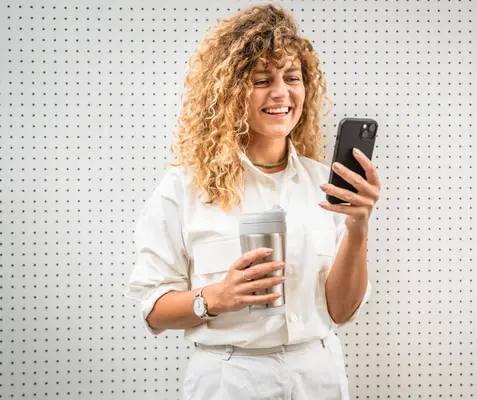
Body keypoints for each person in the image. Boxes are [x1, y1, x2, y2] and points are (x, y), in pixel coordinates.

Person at [124, 4, 381, 400]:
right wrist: (215, 298)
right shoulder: (185, 187)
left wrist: (358, 226)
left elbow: (341, 311)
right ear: (228, 92)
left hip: (319, 375)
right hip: (230, 378)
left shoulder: (324, 184)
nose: (281, 93)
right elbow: (152, 307)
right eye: (262, 79)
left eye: (291, 77)